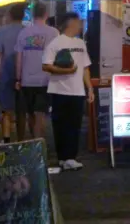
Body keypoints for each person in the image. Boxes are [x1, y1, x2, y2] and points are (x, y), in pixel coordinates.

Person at [42, 12, 93, 172]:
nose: (80, 26)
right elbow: (46, 65)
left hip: (77, 91)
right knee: (60, 125)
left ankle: (71, 157)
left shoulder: (81, 43)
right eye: (78, 23)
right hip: (59, 91)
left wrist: (89, 87)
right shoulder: (55, 43)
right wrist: (65, 71)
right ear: (70, 23)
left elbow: (85, 67)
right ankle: (63, 157)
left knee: (74, 125)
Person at [14, 2, 59, 141]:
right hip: (45, 79)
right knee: (40, 114)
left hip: (27, 80)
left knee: (31, 114)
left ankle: (34, 142)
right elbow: (58, 56)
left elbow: (19, 57)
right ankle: (39, 145)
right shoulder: (53, 33)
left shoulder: (24, 32)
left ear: (32, 15)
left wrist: (18, 79)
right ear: (46, 14)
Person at [0, 4, 26, 144]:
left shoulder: (2, 32)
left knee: (6, 110)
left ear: (9, 16)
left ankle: (6, 139)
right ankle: (22, 140)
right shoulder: (27, 31)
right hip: (24, 75)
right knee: (21, 110)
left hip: (5, 74)